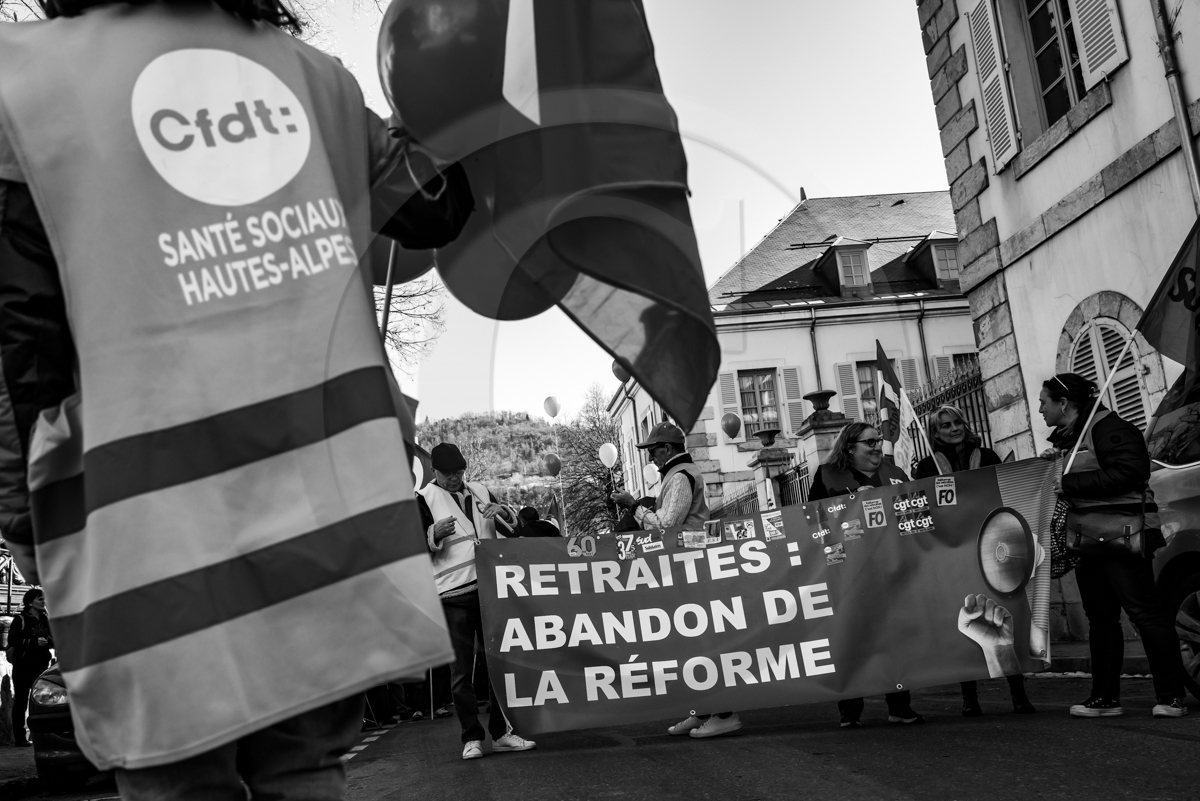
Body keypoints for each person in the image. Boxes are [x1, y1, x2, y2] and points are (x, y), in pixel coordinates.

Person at [0, 0, 472, 793]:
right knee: (305, 762)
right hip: (320, 494)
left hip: (146, 509)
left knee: (178, 773)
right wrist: (458, 76)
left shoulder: (30, 80)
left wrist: (23, 510)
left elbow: (24, 328)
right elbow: (436, 204)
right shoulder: (311, 77)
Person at [1039, 373, 1189, 719]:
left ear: (1064, 404)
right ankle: (1105, 698)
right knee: (1101, 619)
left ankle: (1171, 697)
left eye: (1044, 401)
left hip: (1124, 536)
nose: (1040, 408)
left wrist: (1068, 481)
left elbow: (1131, 473)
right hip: (1090, 539)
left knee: (1145, 614)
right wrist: (1055, 468)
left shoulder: (1110, 429)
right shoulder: (1072, 437)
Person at [611, 422, 742, 739]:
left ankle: (724, 712)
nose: (651, 457)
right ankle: (703, 711)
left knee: (700, 642)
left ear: (668, 449)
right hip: (686, 565)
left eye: (653, 451)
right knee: (690, 641)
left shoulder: (680, 475)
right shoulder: (678, 473)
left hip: (691, 565)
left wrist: (634, 506)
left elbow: (667, 525)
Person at [416, 443, 537, 760]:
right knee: (461, 675)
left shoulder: (482, 491)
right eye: (448, 474)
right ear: (434, 472)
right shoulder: (423, 499)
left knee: (499, 667)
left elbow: (513, 531)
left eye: (459, 472)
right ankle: (471, 738)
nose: (454, 479)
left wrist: (504, 513)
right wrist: (433, 534)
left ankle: (501, 733)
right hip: (453, 595)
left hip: (490, 590)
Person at [913, 405, 1033, 716]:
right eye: (945, 425)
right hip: (952, 551)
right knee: (966, 618)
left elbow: (1008, 491)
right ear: (934, 433)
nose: (954, 428)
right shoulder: (925, 468)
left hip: (993, 546)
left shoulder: (989, 457)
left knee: (1006, 616)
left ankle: (1018, 693)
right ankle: (969, 696)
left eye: (957, 422)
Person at [808, 421, 926, 727]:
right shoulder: (827, 475)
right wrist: (847, 504)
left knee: (894, 636)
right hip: (846, 571)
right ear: (850, 447)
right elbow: (811, 520)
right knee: (850, 638)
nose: (877, 447)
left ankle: (899, 705)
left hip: (892, 566)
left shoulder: (896, 475)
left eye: (878, 441)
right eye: (869, 442)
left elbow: (916, 515)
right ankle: (850, 710)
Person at [7, 588, 52, 747]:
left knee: (42, 702)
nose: (43, 602)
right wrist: (34, 643)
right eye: (40, 599)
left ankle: (41, 736)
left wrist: (49, 641)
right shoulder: (20, 619)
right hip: (23, 667)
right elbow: (13, 639)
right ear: (30, 602)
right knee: (21, 702)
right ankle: (20, 738)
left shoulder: (45, 619)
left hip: (41, 667)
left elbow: (51, 639)